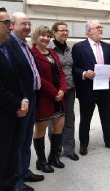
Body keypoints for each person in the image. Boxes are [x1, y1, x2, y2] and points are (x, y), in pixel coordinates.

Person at [5, 12, 44, 191]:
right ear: (12, 25)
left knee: (27, 138)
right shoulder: (8, 44)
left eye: (29, 23)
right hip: (23, 100)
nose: (28, 27)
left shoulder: (24, 44)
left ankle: (25, 170)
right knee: (19, 141)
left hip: (33, 97)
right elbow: (14, 77)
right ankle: (17, 179)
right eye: (24, 24)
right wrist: (23, 98)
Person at [72, 20, 110, 155]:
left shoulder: (107, 46)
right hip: (87, 90)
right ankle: (84, 144)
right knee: (86, 119)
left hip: (104, 89)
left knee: (107, 117)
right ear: (89, 31)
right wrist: (84, 73)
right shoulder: (79, 47)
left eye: (101, 27)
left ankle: (109, 141)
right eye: (98, 27)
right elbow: (74, 67)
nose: (100, 29)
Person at [31, 26, 67, 174]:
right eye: (42, 36)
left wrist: (62, 90)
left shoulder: (52, 53)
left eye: (48, 36)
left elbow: (61, 73)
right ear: (36, 37)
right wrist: (54, 92)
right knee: (41, 129)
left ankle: (53, 156)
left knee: (59, 126)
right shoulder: (32, 53)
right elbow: (38, 77)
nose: (46, 38)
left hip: (58, 96)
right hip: (44, 97)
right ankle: (41, 161)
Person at [0, 12, 29, 191]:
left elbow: (20, 76)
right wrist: (17, 104)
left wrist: (24, 99)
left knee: (10, 155)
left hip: (14, 113)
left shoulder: (6, 47)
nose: (11, 27)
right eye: (7, 23)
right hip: (5, 113)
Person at [48, 21, 79, 161]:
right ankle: (56, 149)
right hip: (55, 91)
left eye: (66, 30)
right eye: (62, 30)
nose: (65, 33)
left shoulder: (70, 49)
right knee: (54, 120)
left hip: (70, 89)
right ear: (54, 32)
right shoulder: (48, 49)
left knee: (69, 119)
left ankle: (69, 149)